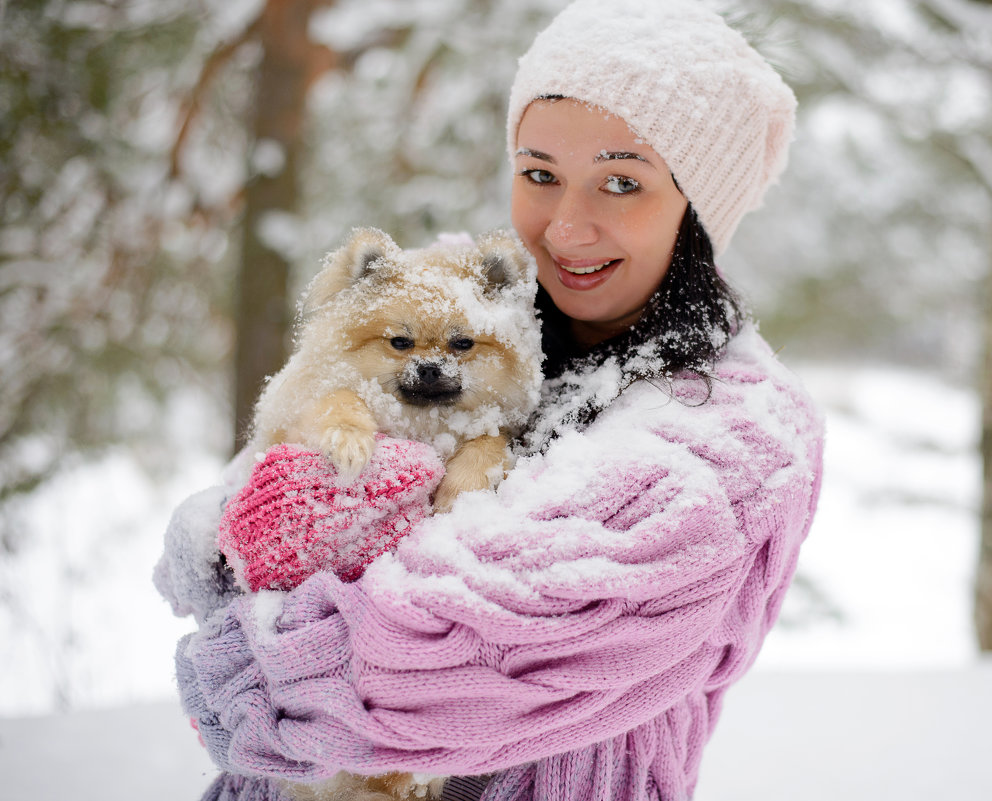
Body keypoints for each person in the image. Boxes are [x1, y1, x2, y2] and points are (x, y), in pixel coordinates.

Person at [155, 1, 824, 799]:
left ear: (697, 209)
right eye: (540, 174)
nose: (568, 226)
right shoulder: (451, 301)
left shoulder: (736, 437)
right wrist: (245, 532)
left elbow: (465, 652)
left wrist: (249, 665)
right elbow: (214, 542)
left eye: (622, 182)